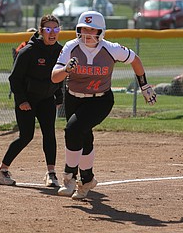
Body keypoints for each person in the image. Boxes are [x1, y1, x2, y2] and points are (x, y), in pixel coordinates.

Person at [51, 11, 157, 200]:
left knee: (73, 130)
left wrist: (144, 85)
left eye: (92, 29)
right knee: (84, 137)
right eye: (84, 29)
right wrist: (66, 69)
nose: (87, 33)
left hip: (100, 100)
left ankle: (69, 177)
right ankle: (87, 181)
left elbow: (135, 60)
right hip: (74, 98)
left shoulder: (111, 48)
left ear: (101, 31)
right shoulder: (71, 47)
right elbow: (54, 76)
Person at [0, 15, 63, 187]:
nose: (52, 33)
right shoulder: (28, 51)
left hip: (47, 99)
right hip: (27, 100)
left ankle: (51, 174)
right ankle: (0, 171)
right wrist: (22, 100)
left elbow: (60, 76)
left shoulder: (60, 51)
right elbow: (14, 79)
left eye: (56, 29)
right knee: (26, 136)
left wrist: (59, 97)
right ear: (41, 31)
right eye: (48, 29)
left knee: (50, 135)